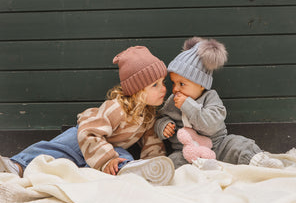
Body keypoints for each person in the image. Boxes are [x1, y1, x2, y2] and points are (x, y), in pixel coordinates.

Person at [0, 46, 175, 185]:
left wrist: (155, 161)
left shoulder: (148, 116)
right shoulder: (117, 108)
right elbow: (89, 132)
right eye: (155, 85)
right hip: (81, 137)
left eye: (162, 82)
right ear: (137, 90)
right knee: (51, 149)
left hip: (103, 148)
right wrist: (107, 160)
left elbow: (152, 141)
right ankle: (16, 165)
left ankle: (135, 170)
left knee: (122, 156)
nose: (164, 89)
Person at [155, 36, 285, 170]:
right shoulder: (172, 100)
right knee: (174, 160)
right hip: (187, 152)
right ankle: (164, 172)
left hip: (217, 146)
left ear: (201, 84)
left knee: (238, 144)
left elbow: (210, 125)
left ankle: (259, 161)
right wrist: (164, 126)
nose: (175, 89)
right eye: (173, 83)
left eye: (182, 84)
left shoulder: (211, 98)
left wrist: (187, 105)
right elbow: (162, 117)